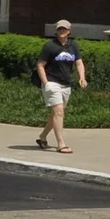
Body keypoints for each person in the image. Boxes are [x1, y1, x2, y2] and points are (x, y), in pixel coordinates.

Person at [37, 20, 88, 153]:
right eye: (59, 29)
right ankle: (61, 144)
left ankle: (42, 137)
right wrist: (45, 82)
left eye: (64, 29)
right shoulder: (50, 46)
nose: (61, 31)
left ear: (69, 31)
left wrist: (82, 78)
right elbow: (40, 65)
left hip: (66, 84)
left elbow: (79, 63)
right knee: (59, 112)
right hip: (52, 83)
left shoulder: (73, 46)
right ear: (56, 31)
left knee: (57, 113)